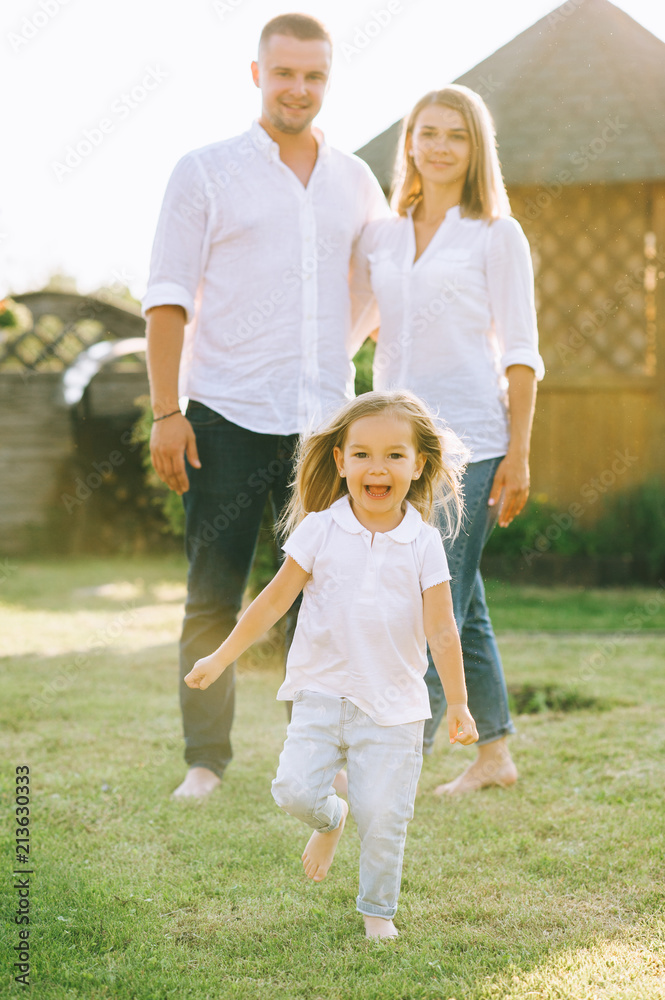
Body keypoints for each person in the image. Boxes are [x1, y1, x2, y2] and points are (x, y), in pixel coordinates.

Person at [142, 14, 388, 798]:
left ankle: (319, 757)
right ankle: (205, 761)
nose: (298, 89)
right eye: (284, 73)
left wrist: (330, 361)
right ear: (256, 74)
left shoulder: (354, 179)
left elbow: (371, 291)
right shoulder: (205, 171)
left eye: (313, 76)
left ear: (328, 81)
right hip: (224, 415)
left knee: (325, 597)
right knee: (215, 589)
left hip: (324, 428)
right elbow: (168, 297)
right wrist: (164, 411)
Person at [184, 390, 478, 938]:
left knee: (385, 819)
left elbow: (441, 628)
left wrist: (458, 702)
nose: (378, 467)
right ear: (340, 462)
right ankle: (331, 818)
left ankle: (377, 914)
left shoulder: (424, 543)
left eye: (395, 455)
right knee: (293, 790)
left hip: (394, 708)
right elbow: (272, 601)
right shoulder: (319, 529)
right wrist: (222, 656)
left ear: (418, 465)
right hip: (321, 692)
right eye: (362, 454)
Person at [354, 85, 544, 795]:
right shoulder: (384, 233)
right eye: (426, 132)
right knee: (461, 600)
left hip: (472, 442)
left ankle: (400, 755)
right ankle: (493, 754)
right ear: (409, 143)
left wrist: (519, 454)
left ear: (475, 150)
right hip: (397, 445)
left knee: (430, 597)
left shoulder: (496, 234)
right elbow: (374, 325)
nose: (437, 146)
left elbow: (520, 351)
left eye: (454, 136)